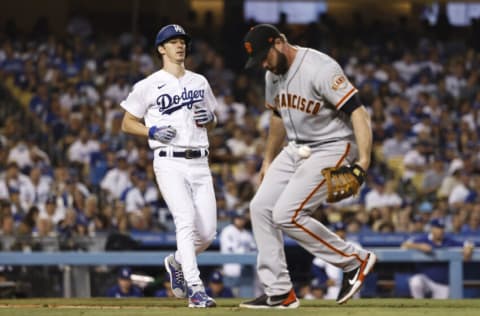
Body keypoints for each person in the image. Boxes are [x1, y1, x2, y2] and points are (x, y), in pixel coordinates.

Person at [240, 24, 376, 309]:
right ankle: (280, 292)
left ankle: (355, 261)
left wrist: (363, 161)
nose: (263, 63)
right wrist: (267, 159)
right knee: (260, 207)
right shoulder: (272, 75)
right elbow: (278, 117)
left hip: (333, 145)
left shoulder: (319, 68)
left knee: (286, 214)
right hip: (296, 148)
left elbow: (358, 112)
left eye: (265, 55)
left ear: (279, 42)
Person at [120, 24, 218, 308]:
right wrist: (149, 132)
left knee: (208, 233)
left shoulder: (199, 81)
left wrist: (210, 118)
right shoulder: (148, 84)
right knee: (185, 220)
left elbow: (215, 118)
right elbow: (126, 122)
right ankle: (196, 289)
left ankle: (176, 261)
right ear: (161, 48)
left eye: (182, 41)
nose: (180, 46)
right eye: (173, 42)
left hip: (200, 161)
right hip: (169, 162)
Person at [401, 218, 474, 299]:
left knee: (441, 306)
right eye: (438, 228)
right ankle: (418, 305)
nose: (440, 231)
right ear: (432, 228)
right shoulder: (423, 239)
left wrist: (468, 248)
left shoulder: (448, 241)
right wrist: (419, 246)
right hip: (426, 280)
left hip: (442, 283)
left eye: (442, 228)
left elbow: (468, 243)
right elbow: (404, 244)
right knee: (415, 282)